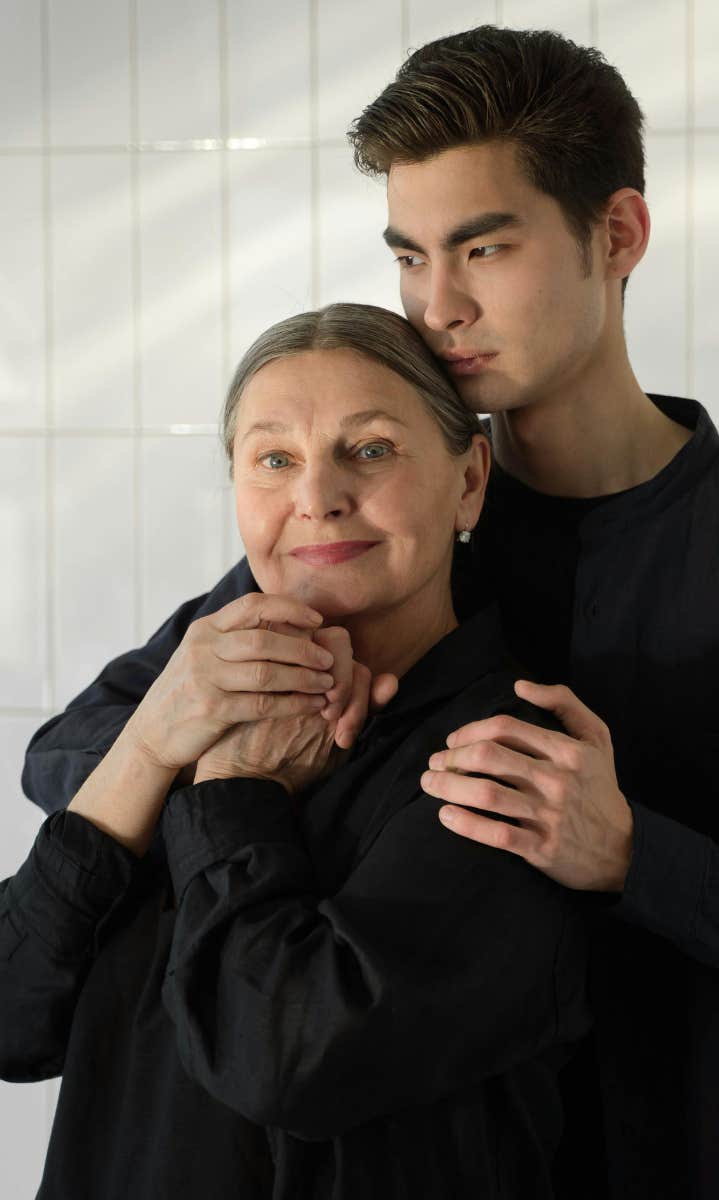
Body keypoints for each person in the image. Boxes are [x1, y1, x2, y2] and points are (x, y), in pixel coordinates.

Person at [21, 24, 719, 1200]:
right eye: (410, 256)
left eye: (483, 248)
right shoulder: (379, 530)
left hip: (700, 1158)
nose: (435, 304)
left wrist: (637, 855)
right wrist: (246, 751)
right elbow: (73, 751)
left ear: (617, 234)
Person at [2, 303, 591, 1199]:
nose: (316, 497)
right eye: (274, 459)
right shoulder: (190, 688)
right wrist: (152, 746)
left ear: (470, 480)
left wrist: (235, 787)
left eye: (371, 449)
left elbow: (282, 1060)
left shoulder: (510, 764)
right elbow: (13, 1023)